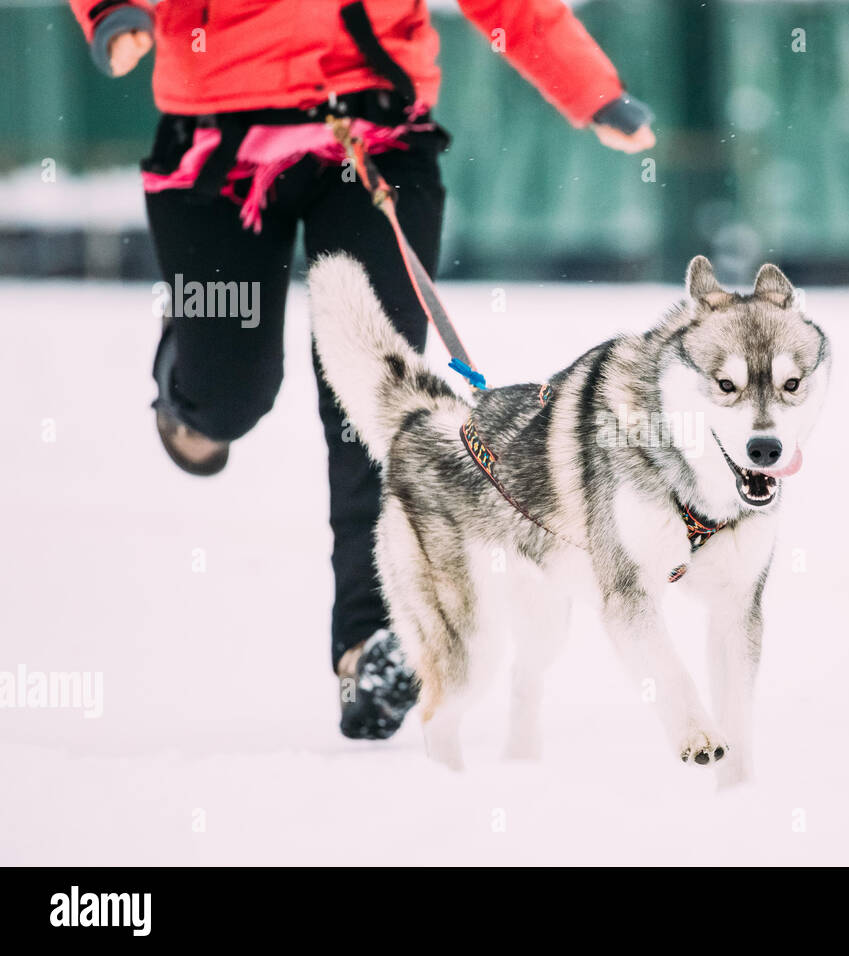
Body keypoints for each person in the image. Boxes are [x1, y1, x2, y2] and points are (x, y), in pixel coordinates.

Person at [68, 0, 654, 739]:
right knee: (227, 400)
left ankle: (370, 643)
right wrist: (113, 13)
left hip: (374, 129)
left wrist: (591, 88)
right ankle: (193, 379)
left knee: (375, 406)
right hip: (216, 132)